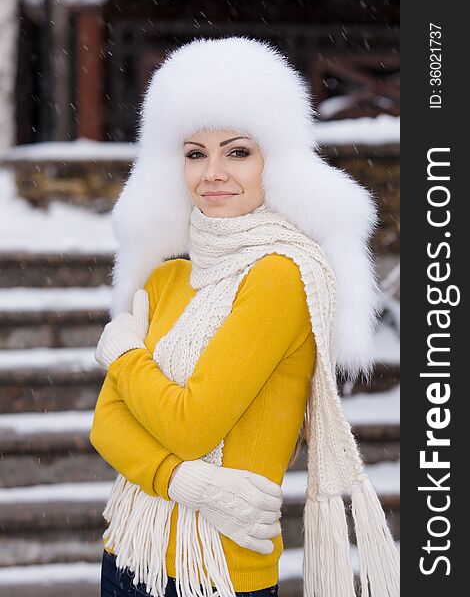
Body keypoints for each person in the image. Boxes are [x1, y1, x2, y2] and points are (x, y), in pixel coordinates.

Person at [91, 37, 399, 597]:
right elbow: (105, 426)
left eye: (237, 152)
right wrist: (186, 481)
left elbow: (192, 424)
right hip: (127, 555)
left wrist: (125, 356)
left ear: (274, 161)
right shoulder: (165, 280)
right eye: (194, 153)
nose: (213, 173)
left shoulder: (281, 277)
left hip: (215, 574)